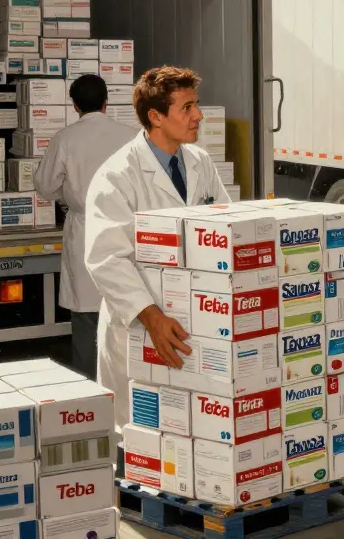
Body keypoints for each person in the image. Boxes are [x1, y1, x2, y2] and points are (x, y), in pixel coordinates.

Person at [84, 66, 230, 432]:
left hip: (195, 322)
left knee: (193, 433)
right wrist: (152, 318)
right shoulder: (118, 175)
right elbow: (106, 258)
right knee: (138, 435)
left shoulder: (200, 162)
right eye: (187, 108)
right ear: (156, 117)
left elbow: (225, 226)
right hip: (140, 325)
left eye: (196, 105)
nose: (199, 116)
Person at [33, 74, 137, 379]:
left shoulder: (65, 139)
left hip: (85, 230)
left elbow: (44, 185)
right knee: (126, 314)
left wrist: (66, 195)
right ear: (106, 101)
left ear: (75, 105)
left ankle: (89, 389)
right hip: (126, 229)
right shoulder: (132, 137)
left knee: (86, 320)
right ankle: (127, 387)